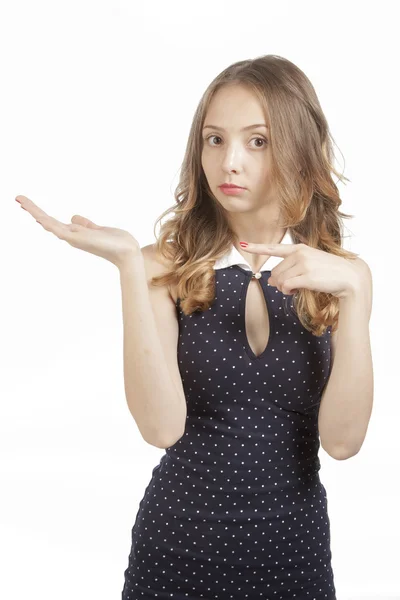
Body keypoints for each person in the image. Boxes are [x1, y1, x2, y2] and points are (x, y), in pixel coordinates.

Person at [16, 54, 373, 600]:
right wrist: (131, 268)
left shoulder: (344, 278)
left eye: (258, 141)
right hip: (177, 549)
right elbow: (161, 429)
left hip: (294, 556)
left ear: (299, 147)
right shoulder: (163, 266)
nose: (230, 162)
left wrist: (355, 291)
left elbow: (343, 443)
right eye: (214, 140)